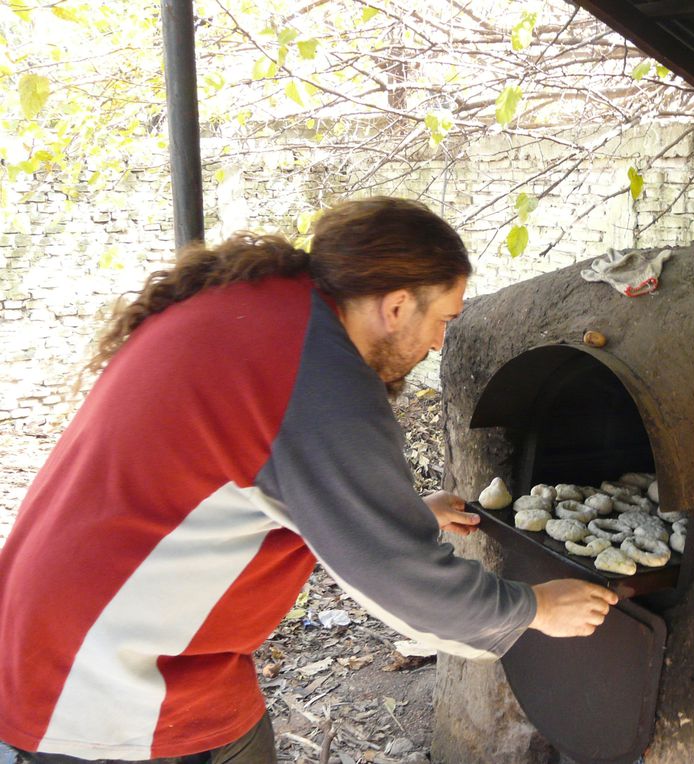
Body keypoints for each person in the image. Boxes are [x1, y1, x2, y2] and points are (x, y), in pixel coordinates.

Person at [0, 198, 618, 763]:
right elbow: (406, 586)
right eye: (443, 319)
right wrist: (534, 607)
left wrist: (394, 512)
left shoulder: (269, 307)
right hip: (103, 686)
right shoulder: (313, 377)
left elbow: (247, 481)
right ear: (397, 305)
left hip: (77, 639)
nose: (437, 344)